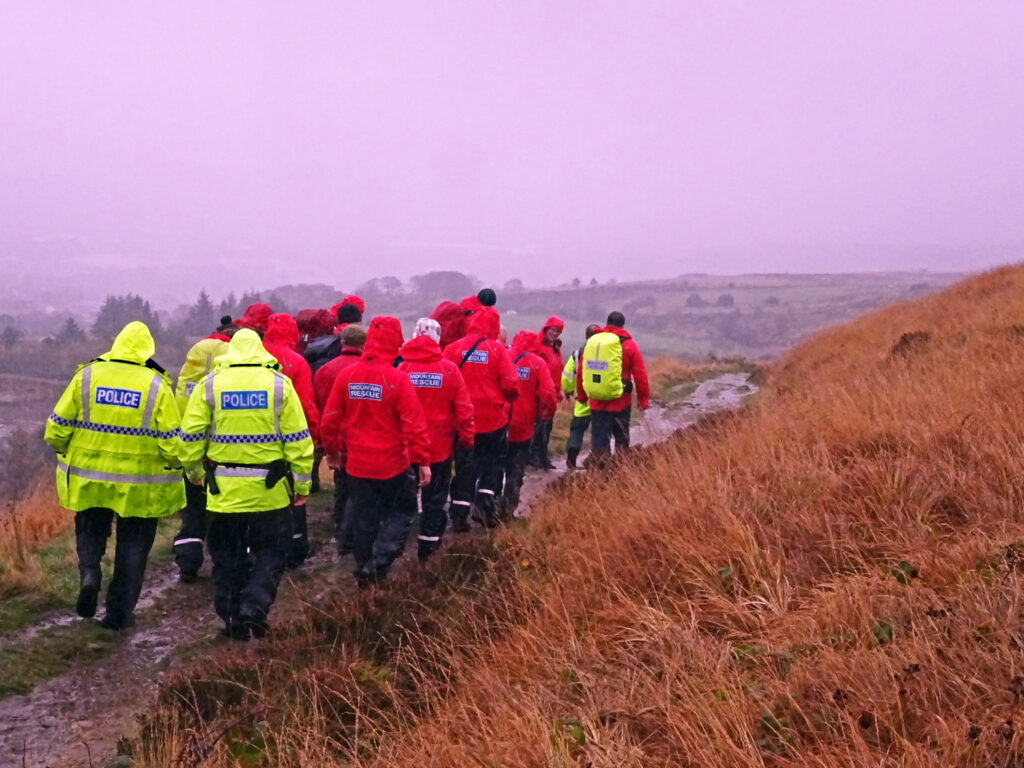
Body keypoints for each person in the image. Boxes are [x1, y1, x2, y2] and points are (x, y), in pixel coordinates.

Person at [43, 321, 185, 630]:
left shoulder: (88, 376)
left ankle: (90, 574)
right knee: (133, 546)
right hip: (139, 487)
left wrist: (68, 450)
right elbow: (173, 446)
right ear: (148, 350)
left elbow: (55, 429)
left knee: (91, 531)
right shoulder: (156, 385)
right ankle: (118, 614)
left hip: (90, 479)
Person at [177, 329, 314, 640]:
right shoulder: (280, 386)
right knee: (272, 552)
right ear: (261, 352)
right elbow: (298, 442)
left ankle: (230, 618)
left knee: (226, 556)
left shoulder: (209, 386)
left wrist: (195, 473)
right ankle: (255, 606)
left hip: (223, 494)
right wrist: (302, 486)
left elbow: (189, 438)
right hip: (269, 493)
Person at [320, 317, 432, 586]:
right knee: (403, 511)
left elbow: (330, 420)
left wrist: (333, 452)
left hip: (357, 465)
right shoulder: (397, 379)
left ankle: (363, 568)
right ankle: (379, 562)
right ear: (396, 342)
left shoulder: (347, 376)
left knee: (364, 518)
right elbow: (414, 424)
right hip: (392, 464)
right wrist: (423, 461)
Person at [399, 318, 475, 559]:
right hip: (439, 448)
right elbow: (463, 408)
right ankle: (428, 546)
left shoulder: (401, 369)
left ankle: (397, 543)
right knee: (435, 498)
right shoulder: (449, 370)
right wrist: (467, 439)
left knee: (404, 497)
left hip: (405, 447)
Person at [170, 318, 237, 582]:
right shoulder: (233, 358)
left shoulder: (196, 353)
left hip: (192, 445)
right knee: (225, 512)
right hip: (223, 449)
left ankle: (187, 561)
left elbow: (181, 402)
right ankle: (227, 563)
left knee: (192, 509)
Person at [443, 307, 519, 529]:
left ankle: (458, 513)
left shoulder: (453, 349)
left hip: (461, 419)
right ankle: (484, 506)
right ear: (494, 327)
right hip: (492, 419)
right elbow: (512, 385)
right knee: (491, 464)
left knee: (465, 465)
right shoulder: (497, 350)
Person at [263, 313, 321, 568]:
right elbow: (306, 405)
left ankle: (259, 548)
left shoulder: (245, 359)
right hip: (287, 440)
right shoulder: (296, 361)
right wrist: (313, 437)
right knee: (294, 497)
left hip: (250, 443)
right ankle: (296, 548)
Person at [312, 324, 367, 554]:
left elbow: (319, 405)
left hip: (335, 438)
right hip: (362, 440)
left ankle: (339, 528)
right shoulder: (367, 370)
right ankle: (354, 533)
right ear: (364, 345)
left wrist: (325, 441)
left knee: (341, 486)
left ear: (341, 343)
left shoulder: (325, 371)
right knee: (360, 490)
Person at [577, 311, 650, 458]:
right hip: (621, 402)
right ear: (623, 325)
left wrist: (582, 395)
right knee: (621, 441)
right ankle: (619, 472)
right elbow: (640, 375)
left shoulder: (594, 342)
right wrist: (643, 400)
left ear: (607, 323)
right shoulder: (629, 345)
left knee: (599, 443)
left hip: (597, 402)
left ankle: (600, 473)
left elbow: (582, 371)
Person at [501, 331, 556, 517]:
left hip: (499, 422)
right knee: (516, 466)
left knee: (493, 464)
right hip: (523, 424)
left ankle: (486, 502)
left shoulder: (502, 355)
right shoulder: (537, 363)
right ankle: (507, 509)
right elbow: (548, 395)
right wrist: (544, 415)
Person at [561, 324, 600, 470]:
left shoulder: (577, 354)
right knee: (599, 431)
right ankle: (597, 460)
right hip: (600, 399)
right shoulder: (606, 353)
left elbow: (567, 375)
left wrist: (568, 391)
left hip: (582, 400)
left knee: (577, 429)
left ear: (586, 336)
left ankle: (572, 454)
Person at [529, 316, 564, 470]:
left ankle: (542, 458)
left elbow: (557, 371)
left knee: (546, 428)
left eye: (558, 331)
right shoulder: (537, 346)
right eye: (553, 330)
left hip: (551, 394)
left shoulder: (556, 348)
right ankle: (534, 457)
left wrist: (559, 390)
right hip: (538, 394)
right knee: (539, 427)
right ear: (546, 328)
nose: (555, 333)